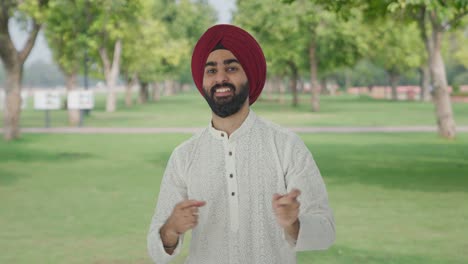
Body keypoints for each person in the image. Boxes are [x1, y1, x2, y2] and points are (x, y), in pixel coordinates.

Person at [147, 24, 335, 264]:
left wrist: (293, 224)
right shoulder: (184, 156)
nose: (221, 78)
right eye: (211, 70)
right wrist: (171, 228)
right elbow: (156, 249)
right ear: (202, 81)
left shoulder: (286, 146)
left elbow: (326, 231)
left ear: (250, 74)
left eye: (231, 68)